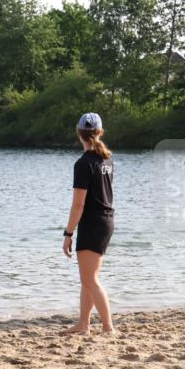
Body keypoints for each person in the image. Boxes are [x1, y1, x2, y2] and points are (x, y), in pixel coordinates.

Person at [62, 113, 114, 334]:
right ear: (100, 132)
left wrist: (68, 233)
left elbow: (78, 205)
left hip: (93, 223)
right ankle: (84, 324)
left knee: (89, 278)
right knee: (88, 277)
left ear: (79, 133)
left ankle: (108, 327)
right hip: (105, 221)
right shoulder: (107, 159)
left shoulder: (83, 163)